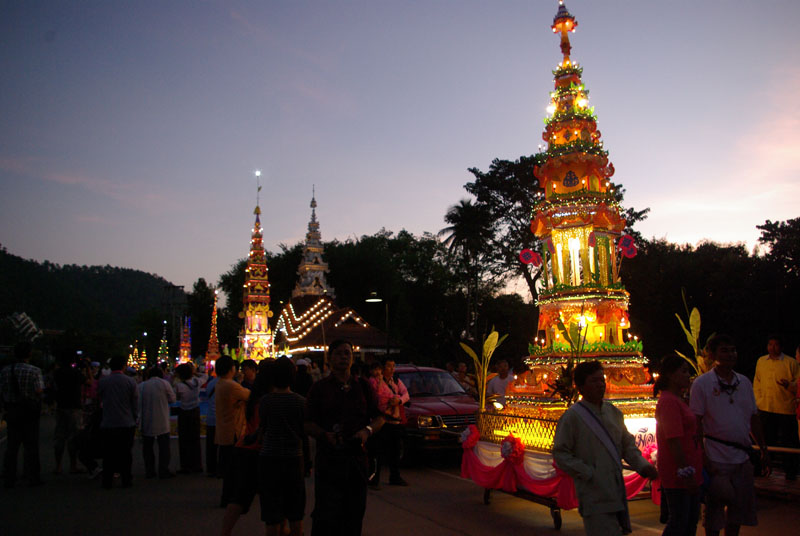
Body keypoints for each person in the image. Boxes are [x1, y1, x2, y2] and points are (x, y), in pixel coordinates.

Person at [553, 360, 658, 536]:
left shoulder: (613, 413)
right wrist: (588, 472)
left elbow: (627, 445)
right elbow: (561, 454)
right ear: (581, 386)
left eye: (602, 380)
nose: (600, 385)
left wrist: (643, 466)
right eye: (594, 381)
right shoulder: (572, 417)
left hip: (615, 490)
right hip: (593, 493)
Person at [689, 334, 769, 536]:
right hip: (716, 457)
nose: (730, 354)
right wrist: (703, 457)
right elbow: (696, 423)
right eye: (724, 350)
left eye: (733, 350)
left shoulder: (744, 382)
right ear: (712, 354)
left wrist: (763, 448)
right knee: (715, 512)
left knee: (738, 511)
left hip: (742, 456)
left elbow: (753, 417)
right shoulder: (702, 384)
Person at [306, 340, 384, 535]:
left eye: (347, 353)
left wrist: (367, 431)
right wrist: (324, 435)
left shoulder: (363, 387)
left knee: (354, 516)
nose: (344, 357)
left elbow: (380, 418)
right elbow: (307, 423)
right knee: (326, 517)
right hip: (329, 462)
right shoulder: (319, 389)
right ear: (330, 358)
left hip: (356, 461)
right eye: (339, 353)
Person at [221, 360, 274, 536]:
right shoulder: (267, 399)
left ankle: (224, 532)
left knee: (240, 497)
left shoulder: (253, 395)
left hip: (245, 447)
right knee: (273, 498)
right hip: (259, 449)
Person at [654, 355, 703, 536]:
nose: (688, 375)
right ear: (671, 375)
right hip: (679, 472)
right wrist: (685, 471)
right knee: (680, 522)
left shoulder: (678, 400)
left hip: (690, 467)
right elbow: (673, 440)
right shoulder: (668, 402)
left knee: (689, 521)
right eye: (683, 371)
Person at [258, 357, 307, 536]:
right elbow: (303, 430)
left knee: (272, 512)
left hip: (269, 458)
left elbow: (263, 426)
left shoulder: (265, 401)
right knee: (295, 511)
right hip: (294, 457)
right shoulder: (301, 402)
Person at [752, 335, 799, 481]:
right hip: (766, 407)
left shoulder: (791, 363)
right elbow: (757, 382)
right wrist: (758, 400)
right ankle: (763, 471)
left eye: (776, 345)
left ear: (782, 347)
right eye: (770, 344)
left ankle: (791, 474)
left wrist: (788, 386)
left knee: (788, 443)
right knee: (765, 441)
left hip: (785, 409)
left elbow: (798, 385)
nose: (773, 347)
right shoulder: (761, 361)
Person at [1, 341, 45, 488]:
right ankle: (32, 476)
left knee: (12, 445)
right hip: (30, 411)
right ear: (29, 354)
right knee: (31, 445)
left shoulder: (6, 371)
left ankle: (9, 476)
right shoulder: (34, 371)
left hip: (12, 410)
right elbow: (39, 391)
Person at [97, 354, 138, 489]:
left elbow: (99, 399)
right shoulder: (130, 382)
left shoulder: (103, 381)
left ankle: (107, 480)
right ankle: (126, 479)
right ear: (123, 366)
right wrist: (135, 416)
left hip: (108, 421)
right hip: (126, 422)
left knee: (108, 453)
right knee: (126, 453)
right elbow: (134, 402)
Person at [215, 355, 251, 507]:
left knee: (229, 468)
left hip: (224, 429)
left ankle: (228, 497)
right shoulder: (231, 385)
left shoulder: (220, 384)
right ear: (231, 369)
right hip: (233, 431)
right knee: (234, 468)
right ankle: (232, 498)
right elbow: (249, 395)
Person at [369, 358, 409, 487]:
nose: (392, 369)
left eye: (393, 366)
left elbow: (406, 394)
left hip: (395, 421)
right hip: (381, 421)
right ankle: (374, 479)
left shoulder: (396, 381)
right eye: (389, 366)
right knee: (378, 451)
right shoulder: (374, 382)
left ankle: (395, 476)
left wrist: (399, 401)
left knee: (395, 451)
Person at [52, 355, 88, 474]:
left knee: (60, 437)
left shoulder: (57, 373)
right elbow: (89, 382)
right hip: (74, 406)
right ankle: (73, 465)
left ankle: (58, 466)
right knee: (74, 437)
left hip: (61, 405)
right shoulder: (76, 373)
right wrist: (86, 368)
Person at [138, 366, 176, 479]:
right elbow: (172, 399)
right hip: (162, 419)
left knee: (148, 448)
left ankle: (150, 470)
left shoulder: (142, 386)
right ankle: (163, 470)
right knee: (164, 447)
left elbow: (137, 402)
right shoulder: (165, 384)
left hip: (147, 419)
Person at [174, 362, 205, 473]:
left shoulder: (179, 386)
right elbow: (205, 376)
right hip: (195, 411)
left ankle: (186, 466)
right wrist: (195, 373)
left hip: (184, 412)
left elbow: (175, 398)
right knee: (195, 439)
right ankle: (197, 465)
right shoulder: (196, 382)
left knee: (184, 440)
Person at [205, 369, 219, 477]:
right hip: (223, 419)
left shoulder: (211, 383)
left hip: (211, 417)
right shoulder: (230, 384)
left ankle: (211, 467)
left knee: (211, 445)